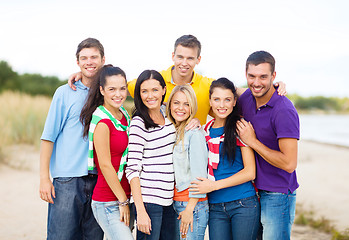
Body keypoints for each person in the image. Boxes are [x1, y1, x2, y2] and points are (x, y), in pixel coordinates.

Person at [68, 35, 286, 126]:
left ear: (198, 59)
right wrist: (87, 75)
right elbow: (115, 84)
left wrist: (273, 89)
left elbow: (238, 92)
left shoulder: (207, 85)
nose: (184, 62)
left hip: (191, 159)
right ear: (173, 56)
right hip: (159, 160)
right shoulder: (154, 81)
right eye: (180, 56)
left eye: (190, 58)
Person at [39, 38, 105, 240]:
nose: (89, 62)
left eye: (94, 57)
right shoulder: (65, 92)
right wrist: (44, 178)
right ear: (77, 62)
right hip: (67, 180)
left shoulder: (108, 93)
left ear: (103, 60)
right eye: (84, 58)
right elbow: (48, 137)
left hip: (99, 181)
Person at [237, 51, 300, 240]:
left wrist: (253, 142)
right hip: (250, 191)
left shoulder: (284, 110)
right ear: (245, 74)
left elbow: (289, 163)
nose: (256, 83)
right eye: (252, 76)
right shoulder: (246, 98)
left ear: (274, 76)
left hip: (277, 193)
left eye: (263, 77)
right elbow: (219, 90)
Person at [190, 78, 260, 240]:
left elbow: (250, 172)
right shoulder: (203, 131)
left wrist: (213, 186)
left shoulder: (240, 128)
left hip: (243, 203)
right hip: (215, 207)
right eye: (217, 99)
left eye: (227, 99)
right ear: (210, 101)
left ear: (235, 101)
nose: (222, 105)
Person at [80, 65, 134, 240]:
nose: (118, 94)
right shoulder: (103, 122)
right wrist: (123, 201)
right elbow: (105, 165)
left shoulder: (124, 115)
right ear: (102, 90)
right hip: (108, 202)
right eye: (112, 89)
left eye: (122, 89)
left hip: (125, 197)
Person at [125, 70, 177, 240]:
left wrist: (195, 121)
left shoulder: (168, 114)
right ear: (139, 94)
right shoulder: (139, 123)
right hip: (148, 200)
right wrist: (140, 210)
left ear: (163, 90)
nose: (150, 96)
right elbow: (132, 169)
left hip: (168, 200)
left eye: (155, 90)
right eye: (144, 91)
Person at [166, 85, 209, 240]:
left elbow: (200, 175)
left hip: (191, 205)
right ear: (169, 104)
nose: (181, 108)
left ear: (192, 107)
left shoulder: (194, 134)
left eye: (187, 104)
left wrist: (190, 209)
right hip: (175, 203)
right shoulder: (172, 131)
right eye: (176, 103)